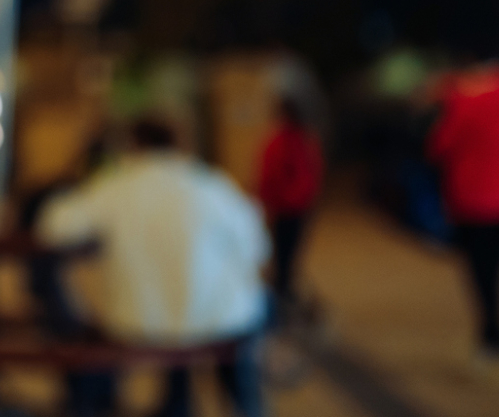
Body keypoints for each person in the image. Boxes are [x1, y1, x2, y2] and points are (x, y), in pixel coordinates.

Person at [38, 117, 269, 417]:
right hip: (219, 320)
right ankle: (242, 404)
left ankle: (175, 403)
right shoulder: (210, 183)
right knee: (249, 318)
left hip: (140, 320)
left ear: (133, 145)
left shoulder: (118, 184)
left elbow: (53, 226)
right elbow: (257, 248)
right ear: (181, 145)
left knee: (132, 332)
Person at [426, 53, 499, 387]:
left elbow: (439, 144)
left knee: (480, 275)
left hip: (469, 198)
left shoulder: (459, 99)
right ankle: (493, 344)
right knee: (495, 272)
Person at [256, 95, 323, 319]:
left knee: (281, 254)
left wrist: (265, 200)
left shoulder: (279, 140)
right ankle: (284, 294)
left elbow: (269, 174)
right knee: (289, 253)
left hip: (283, 206)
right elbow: (313, 172)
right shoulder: (305, 138)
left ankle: (280, 299)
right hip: (299, 205)